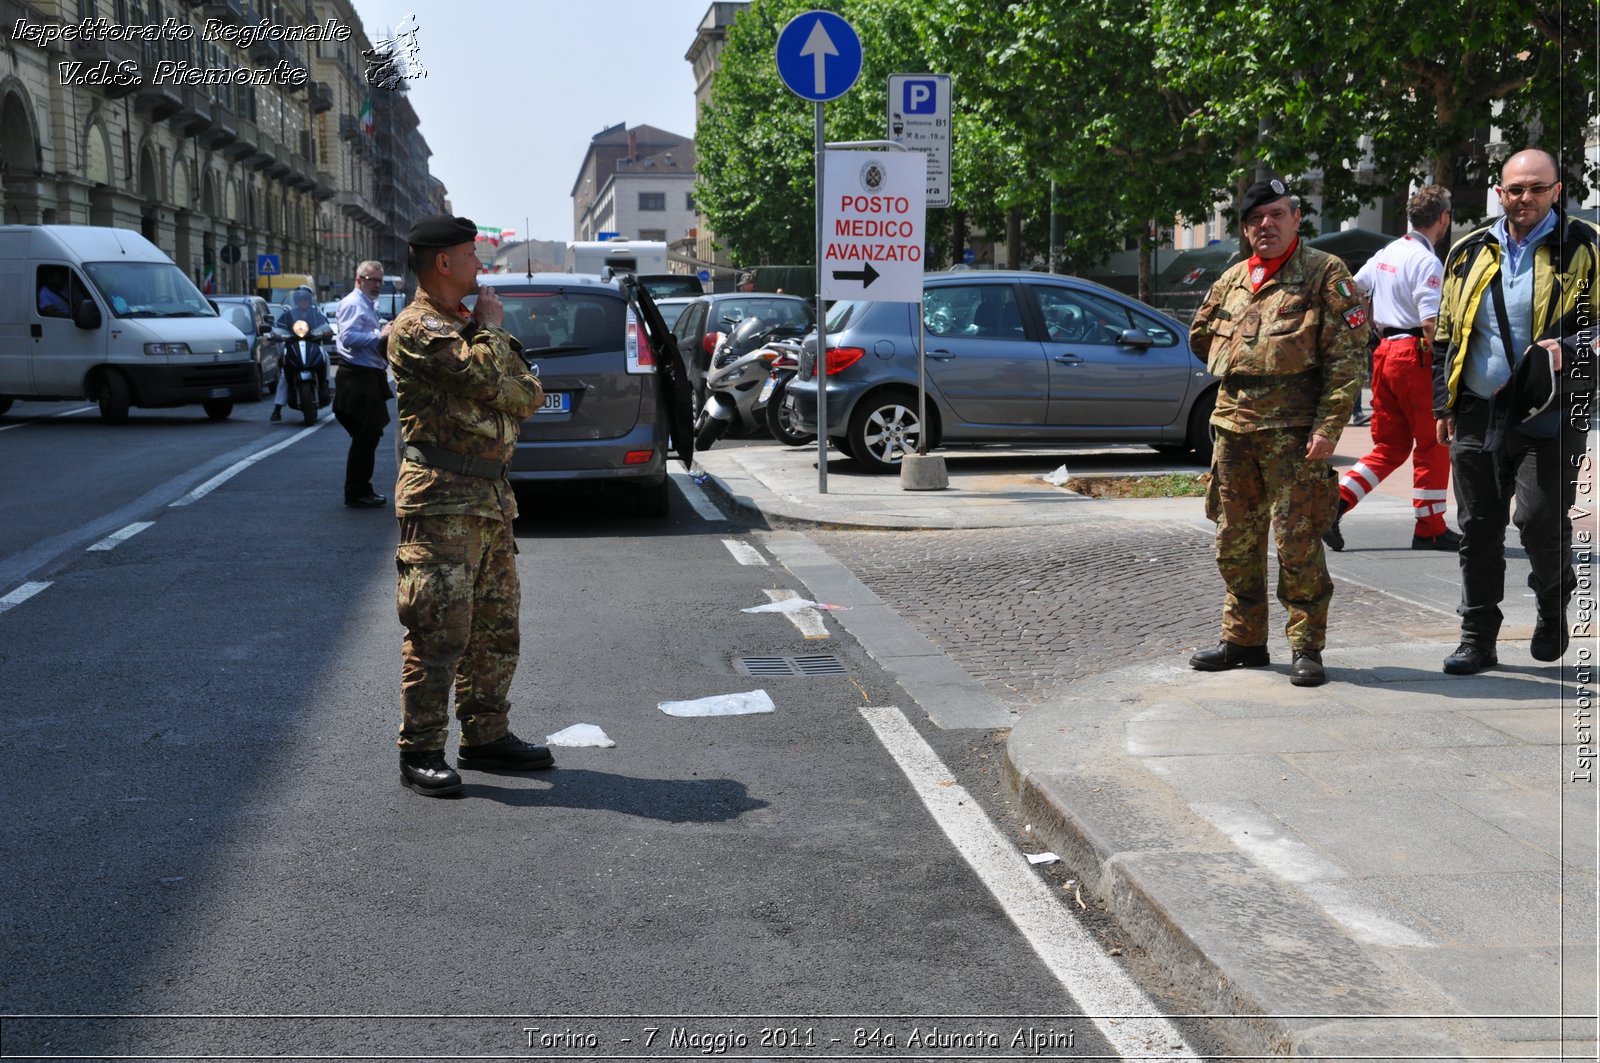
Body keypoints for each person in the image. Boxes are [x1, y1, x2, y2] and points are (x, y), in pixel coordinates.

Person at [388, 214, 552, 797]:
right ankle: (421, 747)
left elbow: (526, 393)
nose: (480, 265)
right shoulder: (416, 328)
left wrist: (492, 348)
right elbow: (489, 381)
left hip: (489, 497)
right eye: (471, 255)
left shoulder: (464, 324)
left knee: (495, 628)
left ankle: (486, 736)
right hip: (440, 500)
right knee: (438, 628)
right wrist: (490, 332)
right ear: (443, 263)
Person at [1187, 177, 1368, 687]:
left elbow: (1347, 357)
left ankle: (1306, 647)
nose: (1265, 226)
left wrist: (1330, 426)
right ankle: (1243, 641)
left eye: (1275, 215)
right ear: (1244, 229)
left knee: (1298, 542)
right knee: (1234, 541)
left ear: (1295, 220)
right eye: (1254, 219)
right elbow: (1201, 337)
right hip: (1233, 429)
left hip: (1293, 434)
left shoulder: (1324, 274)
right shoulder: (1231, 280)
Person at [1432, 148, 1599, 675]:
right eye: (1514, 189)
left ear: (1556, 191)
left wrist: (1568, 349)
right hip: (1478, 409)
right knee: (1478, 526)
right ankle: (1477, 637)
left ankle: (1552, 607)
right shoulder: (1467, 250)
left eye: (1536, 188)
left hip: (1551, 409)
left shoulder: (1584, 247)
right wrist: (1446, 402)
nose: (1524, 198)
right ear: (1500, 193)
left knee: (1539, 522)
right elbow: (1443, 335)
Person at [1325, 185, 1462, 552]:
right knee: (1435, 441)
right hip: (1414, 356)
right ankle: (1430, 527)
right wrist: (1446, 368)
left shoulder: (1387, 252)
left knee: (1390, 446)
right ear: (1443, 219)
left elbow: (1351, 290)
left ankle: (1335, 503)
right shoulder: (1427, 261)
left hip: (1384, 354)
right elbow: (1430, 322)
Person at [332, 261, 394, 507]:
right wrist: (380, 335)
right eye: (372, 280)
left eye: (380, 280)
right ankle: (357, 491)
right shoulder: (353, 303)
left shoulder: (367, 303)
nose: (377, 285)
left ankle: (361, 488)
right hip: (358, 378)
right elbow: (347, 337)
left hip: (368, 376)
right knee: (365, 437)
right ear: (359, 280)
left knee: (368, 436)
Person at [270, 287, 331, 422]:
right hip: (293, 346)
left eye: (305, 300)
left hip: (312, 345)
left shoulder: (316, 314)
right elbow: (278, 327)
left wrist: (325, 332)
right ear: (296, 301)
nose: (303, 302)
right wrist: (277, 334)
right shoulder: (288, 314)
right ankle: (277, 408)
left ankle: (325, 383)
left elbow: (326, 326)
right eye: (300, 300)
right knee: (284, 375)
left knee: (325, 357)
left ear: (309, 301)